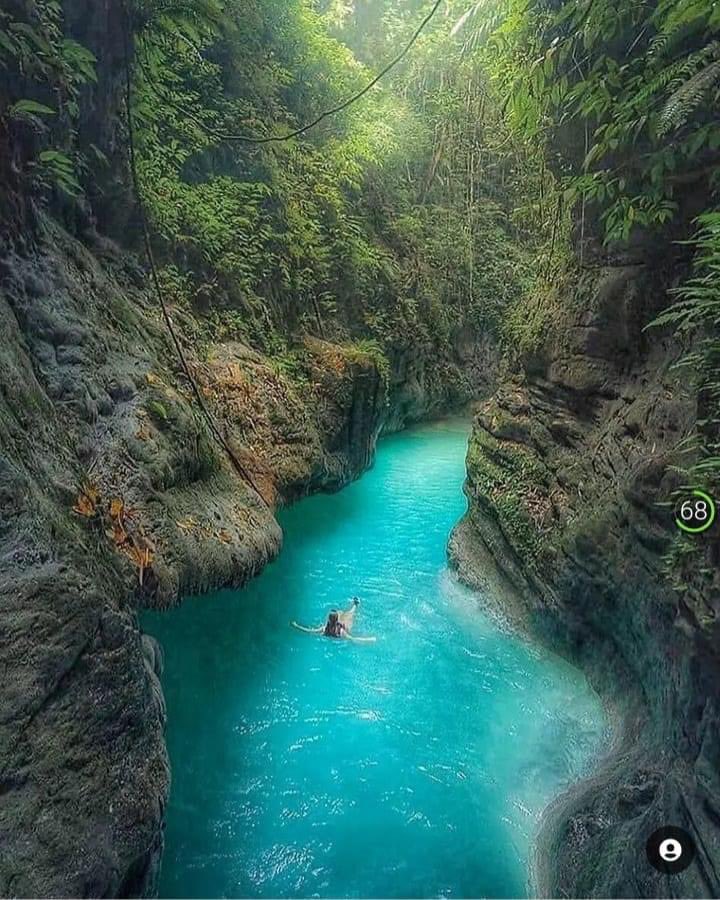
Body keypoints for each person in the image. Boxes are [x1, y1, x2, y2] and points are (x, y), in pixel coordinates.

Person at [292, 598, 376, 642]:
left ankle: (353, 605)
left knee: (342, 613)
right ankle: (355, 604)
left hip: (337, 627)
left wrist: (296, 626)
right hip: (345, 627)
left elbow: (309, 631)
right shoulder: (341, 632)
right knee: (349, 614)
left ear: (328, 620)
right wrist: (369, 639)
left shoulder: (324, 629)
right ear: (336, 620)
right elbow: (353, 639)